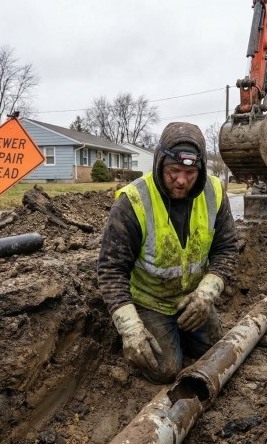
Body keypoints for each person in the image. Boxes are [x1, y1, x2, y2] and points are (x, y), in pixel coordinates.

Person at [97, 122, 238, 384]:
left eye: (190, 172)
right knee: (164, 369)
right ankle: (155, 331)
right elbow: (110, 270)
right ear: (160, 163)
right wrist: (130, 329)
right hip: (151, 302)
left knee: (216, 353)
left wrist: (206, 295)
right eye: (174, 171)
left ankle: (181, 332)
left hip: (192, 301)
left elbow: (226, 249)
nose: (181, 180)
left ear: (201, 169)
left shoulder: (215, 192)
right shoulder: (133, 201)